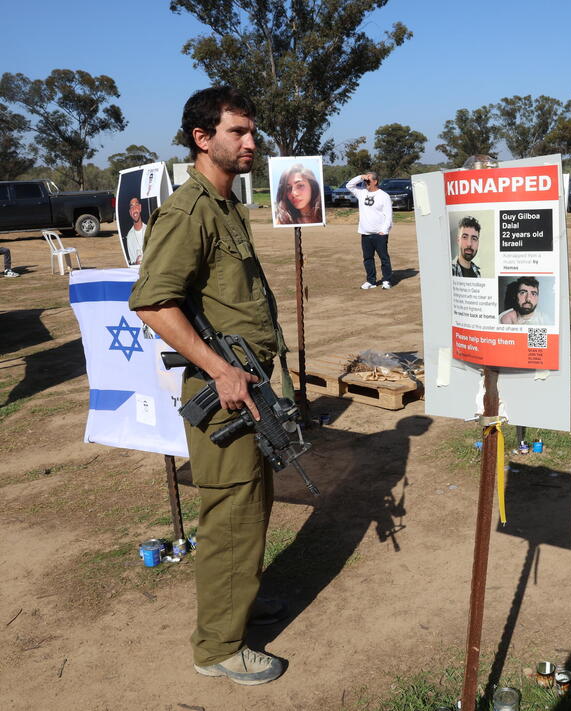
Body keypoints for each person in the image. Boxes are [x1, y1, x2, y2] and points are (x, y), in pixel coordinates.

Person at [129, 86, 288, 686]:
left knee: (252, 505)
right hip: (224, 390)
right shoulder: (191, 209)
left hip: (247, 384)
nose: (251, 143)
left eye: (252, 132)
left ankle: (237, 605)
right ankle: (219, 646)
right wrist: (220, 369)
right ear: (203, 138)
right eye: (238, 133)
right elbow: (151, 301)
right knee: (230, 512)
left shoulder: (225, 204)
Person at [346, 171, 393, 289]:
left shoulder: (384, 196)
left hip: (379, 233)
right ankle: (371, 281)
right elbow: (349, 185)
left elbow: (388, 215)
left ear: (375, 181)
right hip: (365, 233)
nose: (366, 183)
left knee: (384, 258)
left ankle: (386, 280)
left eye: (368, 180)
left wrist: (384, 231)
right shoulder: (361, 193)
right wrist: (361, 177)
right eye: (365, 181)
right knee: (367, 258)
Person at [124, 197, 146, 265]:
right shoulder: (130, 236)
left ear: (140, 208)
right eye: (131, 206)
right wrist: (136, 263)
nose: (134, 208)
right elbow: (132, 262)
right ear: (130, 212)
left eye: (136, 205)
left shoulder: (149, 230)